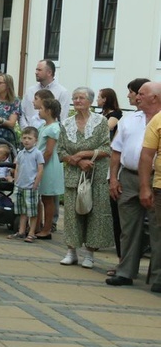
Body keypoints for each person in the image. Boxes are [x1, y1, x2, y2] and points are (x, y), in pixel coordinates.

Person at [109, 82, 161, 287]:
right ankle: (125, 271)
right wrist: (113, 178)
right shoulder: (129, 120)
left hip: (155, 179)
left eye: (141, 94)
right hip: (129, 177)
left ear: (154, 98)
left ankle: (157, 277)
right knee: (129, 228)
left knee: (157, 229)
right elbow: (116, 151)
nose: (136, 97)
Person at [57, 87, 112, 268]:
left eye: (81, 98)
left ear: (90, 101)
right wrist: (77, 161)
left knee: (94, 215)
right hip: (74, 175)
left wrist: (83, 154)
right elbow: (61, 150)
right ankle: (71, 252)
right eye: (75, 98)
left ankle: (89, 254)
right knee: (72, 215)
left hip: (95, 175)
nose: (78, 101)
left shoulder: (101, 121)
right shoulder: (66, 124)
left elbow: (106, 148)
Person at [98, 87, 123, 258]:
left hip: (108, 156)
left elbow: (105, 129)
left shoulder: (116, 114)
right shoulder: (101, 114)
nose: (97, 100)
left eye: (99, 97)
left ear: (106, 99)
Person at [34, 99, 64, 239]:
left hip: (48, 166)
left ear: (49, 111)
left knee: (47, 198)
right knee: (39, 196)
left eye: (41, 109)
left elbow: (48, 151)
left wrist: (39, 165)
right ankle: (37, 225)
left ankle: (47, 228)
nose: (38, 111)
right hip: (41, 164)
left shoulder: (54, 128)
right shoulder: (44, 126)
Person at [8, 127, 44, 242]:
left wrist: (36, 184)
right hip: (20, 185)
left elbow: (40, 170)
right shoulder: (20, 153)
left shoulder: (37, 153)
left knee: (32, 211)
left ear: (35, 140)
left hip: (31, 186)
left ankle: (32, 232)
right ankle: (21, 231)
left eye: (30, 138)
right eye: (24, 138)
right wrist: (16, 180)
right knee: (22, 210)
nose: (27, 140)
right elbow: (17, 167)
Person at [20, 59, 70, 128]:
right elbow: (22, 113)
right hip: (29, 135)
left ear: (49, 72)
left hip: (49, 134)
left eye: (39, 70)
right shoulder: (30, 91)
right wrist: (26, 129)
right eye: (36, 70)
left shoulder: (62, 92)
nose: (36, 72)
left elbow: (62, 118)